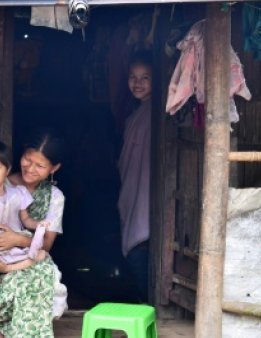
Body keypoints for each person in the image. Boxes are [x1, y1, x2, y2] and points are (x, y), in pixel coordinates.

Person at [0, 131, 67, 338]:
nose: (30, 169)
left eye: (40, 166)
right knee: (10, 283)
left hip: (26, 257)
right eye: (27, 160)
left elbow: (45, 245)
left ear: (54, 168)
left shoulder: (54, 197)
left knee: (33, 281)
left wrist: (19, 239)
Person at [118, 51, 152, 302]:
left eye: (145, 78)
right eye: (132, 77)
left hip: (146, 192)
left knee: (142, 249)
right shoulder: (136, 114)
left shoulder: (155, 115)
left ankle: (148, 305)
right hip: (133, 189)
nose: (137, 83)